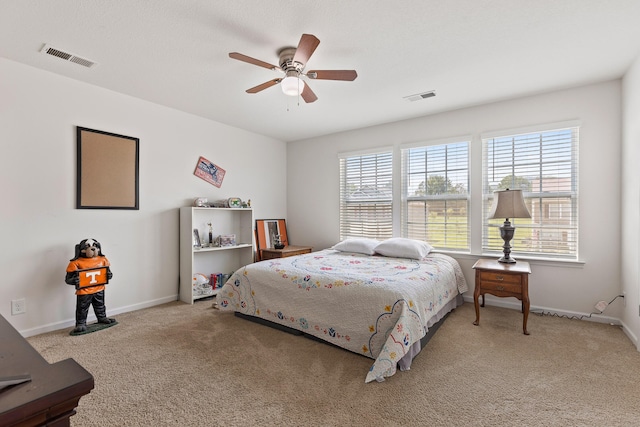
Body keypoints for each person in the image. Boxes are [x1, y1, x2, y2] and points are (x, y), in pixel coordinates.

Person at [65, 238, 116, 333]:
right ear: (81, 249)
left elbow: (108, 273)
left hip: (99, 288)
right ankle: (81, 323)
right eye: (87, 246)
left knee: (100, 305)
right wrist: (74, 280)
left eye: (95, 246)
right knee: (82, 308)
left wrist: (109, 275)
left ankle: (102, 317)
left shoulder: (103, 259)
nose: (92, 248)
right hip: (84, 291)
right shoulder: (75, 263)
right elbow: (68, 279)